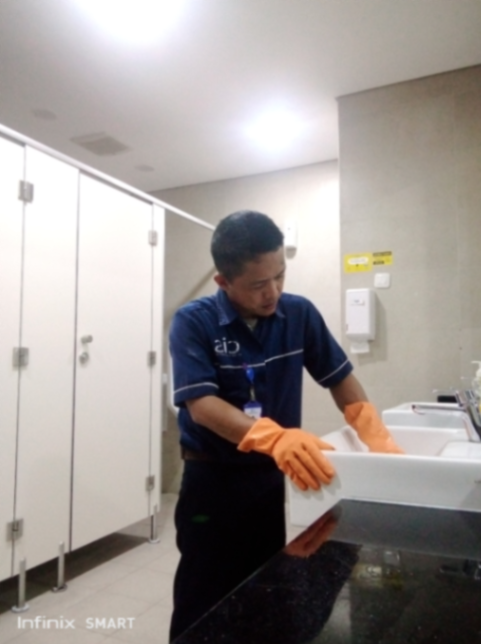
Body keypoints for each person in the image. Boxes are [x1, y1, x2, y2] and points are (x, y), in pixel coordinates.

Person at [168, 210, 403, 642]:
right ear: (223, 281)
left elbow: (339, 379)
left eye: (280, 276)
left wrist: (378, 439)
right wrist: (273, 437)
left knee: (266, 587)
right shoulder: (194, 321)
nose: (273, 292)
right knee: (204, 598)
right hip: (213, 481)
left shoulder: (298, 314)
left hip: (269, 478)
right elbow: (201, 405)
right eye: (259, 284)